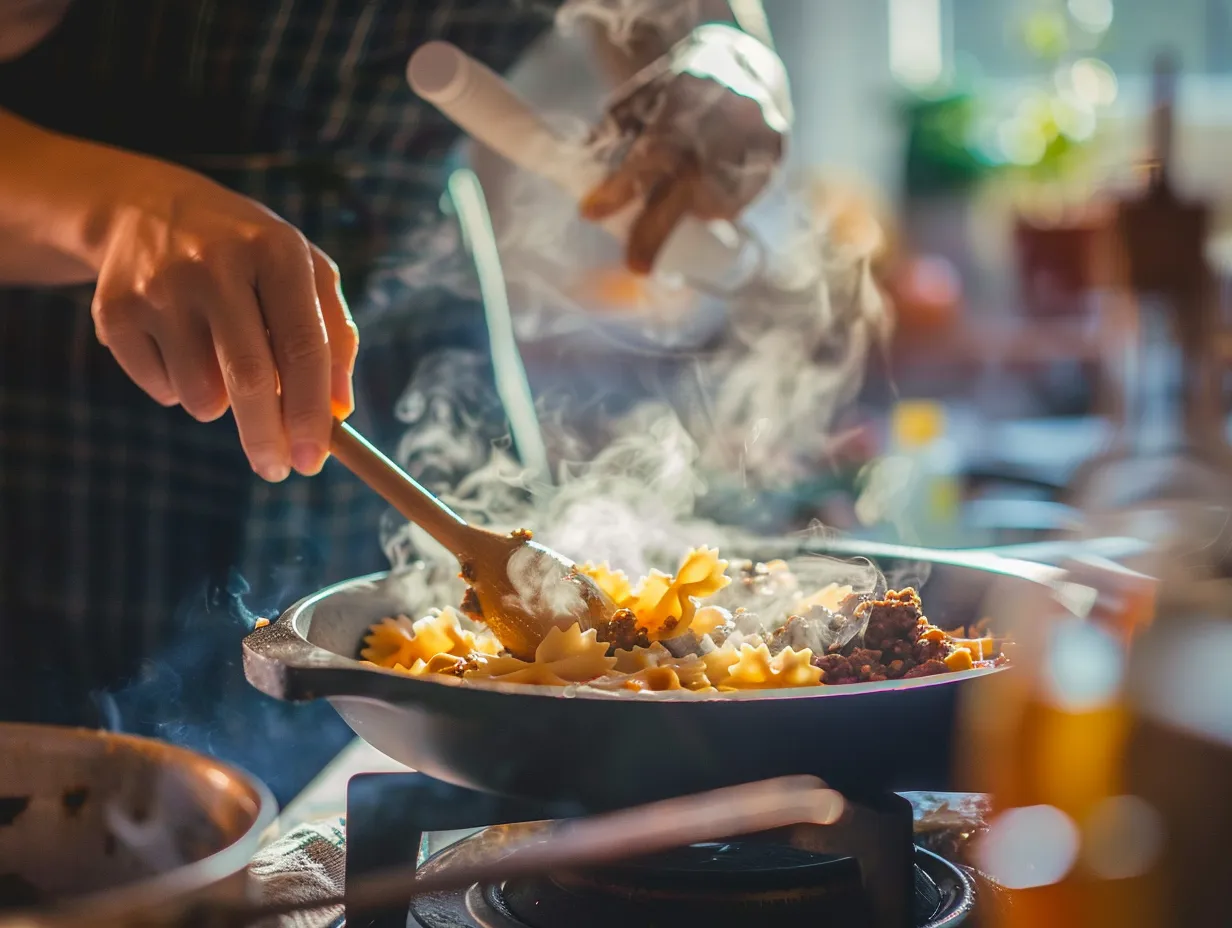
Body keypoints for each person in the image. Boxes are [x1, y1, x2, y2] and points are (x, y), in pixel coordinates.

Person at [0, 0, 783, 800]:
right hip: (84, 364)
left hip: (409, 318)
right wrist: (117, 209)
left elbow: (684, 17)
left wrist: (722, 56)